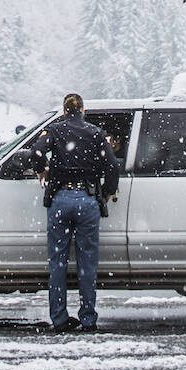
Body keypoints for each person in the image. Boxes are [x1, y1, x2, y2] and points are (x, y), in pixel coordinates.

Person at [31, 92, 120, 333]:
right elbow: (112, 165)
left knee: (57, 262)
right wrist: (107, 192)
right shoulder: (96, 133)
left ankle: (59, 318)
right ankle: (88, 318)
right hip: (88, 199)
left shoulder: (56, 130)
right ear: (83, 110)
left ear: (64, 110)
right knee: (87, 263)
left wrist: (43, 171)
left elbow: (36, 152)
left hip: (60, 199)